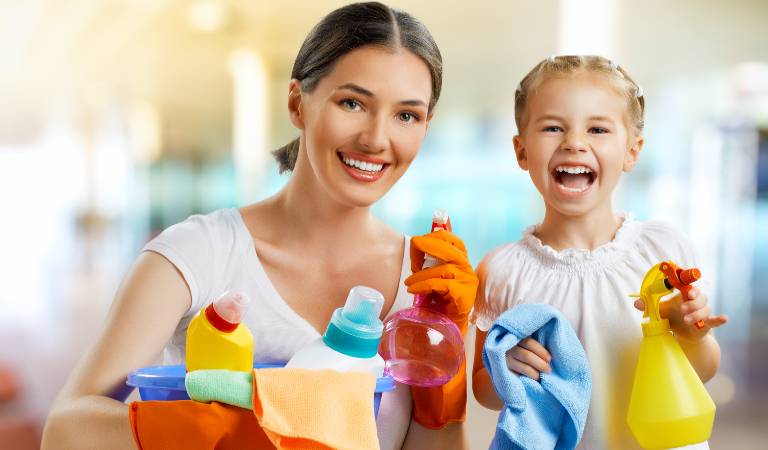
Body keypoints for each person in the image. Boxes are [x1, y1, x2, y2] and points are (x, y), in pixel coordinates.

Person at [42, 3, 475, 449]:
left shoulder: (424, 286)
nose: (376, 139)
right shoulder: (199, 255)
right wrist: (200, 432)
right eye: (352, 103)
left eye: (407, 115)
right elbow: (63, 429)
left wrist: (444, 389)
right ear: (296, 103)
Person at [470, 55, 728, 449]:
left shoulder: (663, 251)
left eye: (598, 129)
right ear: (522, 152)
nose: (575, 142)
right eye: (553, 127)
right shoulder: (502, 270)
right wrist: (503, 366)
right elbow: (485, 392)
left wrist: (690, 336)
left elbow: (704, 371)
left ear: (632, 151)